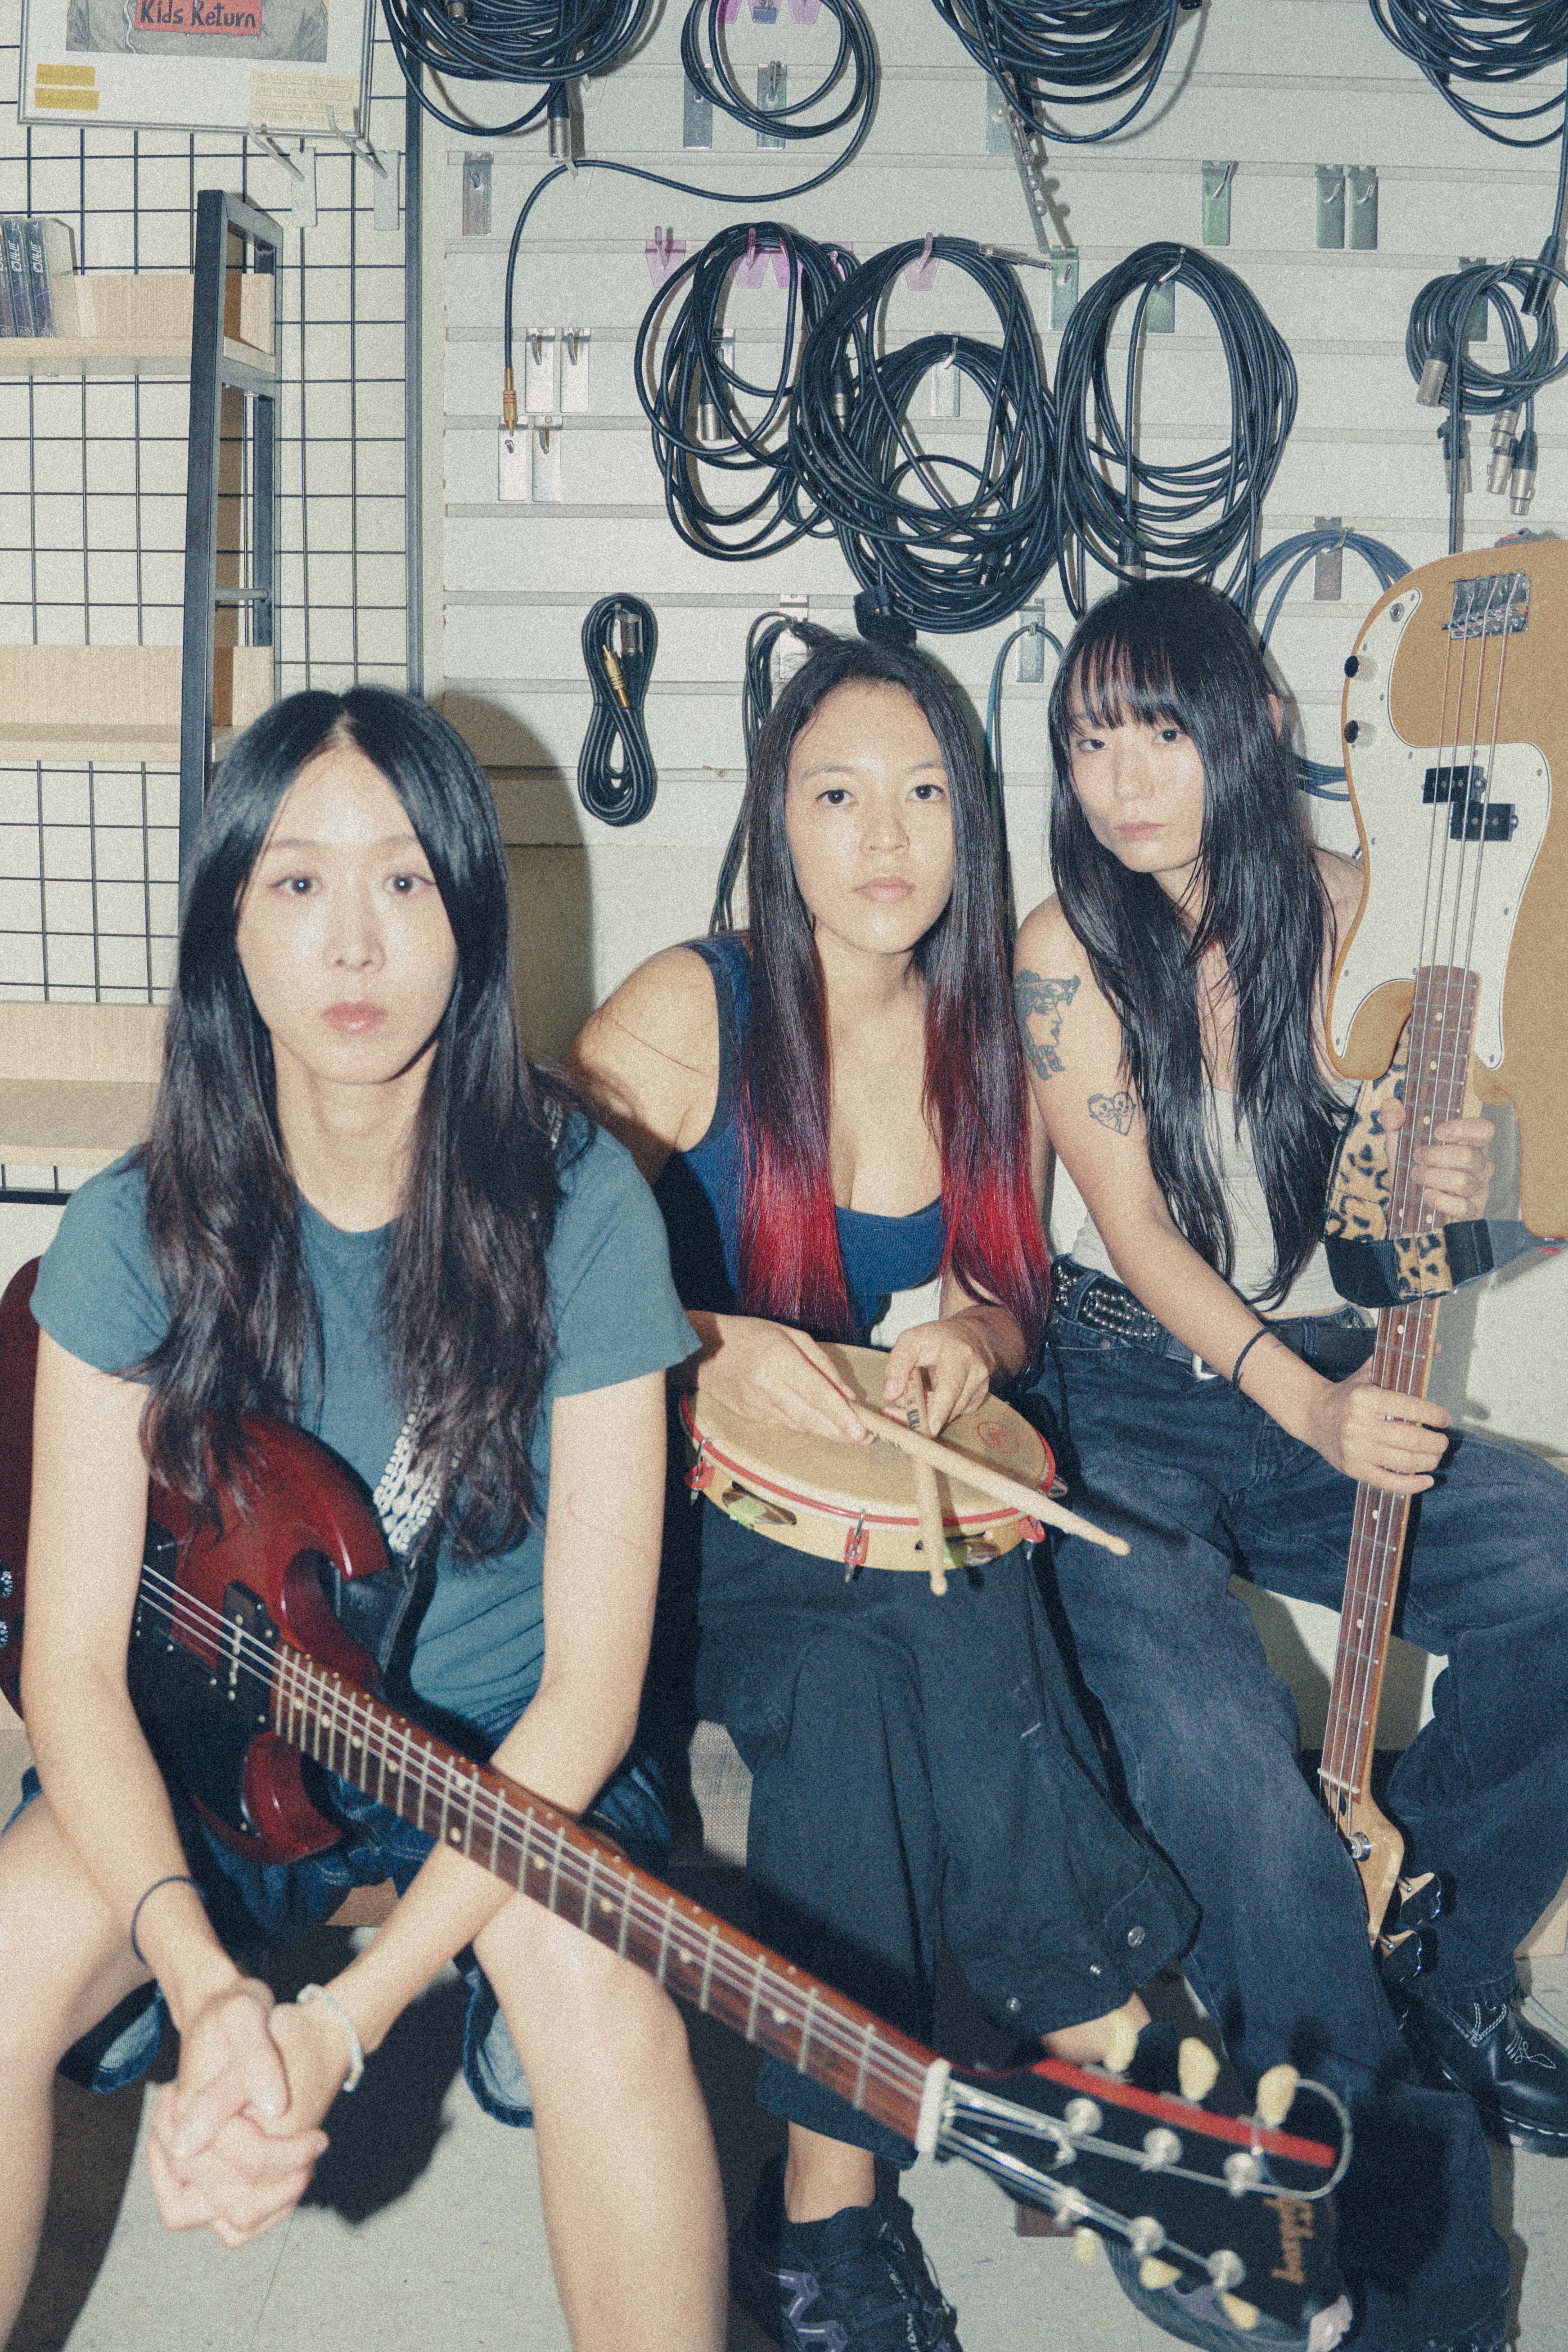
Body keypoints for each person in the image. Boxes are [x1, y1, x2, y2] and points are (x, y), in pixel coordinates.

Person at [0, 688, 727, 2352]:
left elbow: (589, 1694)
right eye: (296, 881)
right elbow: (74, 1668)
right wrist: (202, 1979)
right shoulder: (129, 1230)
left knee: (610, 2008)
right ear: (228, 924)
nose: (353, 939)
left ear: (469, 920)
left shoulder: (583, 1205)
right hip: (217, 1736)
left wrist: (341, 2020)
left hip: (501, 1749)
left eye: (404, 879)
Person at [571, 635, 1201, 2352]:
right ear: (775, 821)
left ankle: (822, 2223)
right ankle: (1106, 2037)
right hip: (660, 1524)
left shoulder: (975, 1037)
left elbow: (1003, 1291)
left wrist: (968, 1350)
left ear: (968, 823)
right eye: (836, 794)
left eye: (924, 792)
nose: (884, 835)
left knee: (885, 1657)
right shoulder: (691, 1005)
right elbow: (514, 1234)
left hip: (847, 1539)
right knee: (928, 1611)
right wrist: (702, 1337)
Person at [1015, 575, 1568, 2352]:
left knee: (1557, 1568)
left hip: (1329, 1378)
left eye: (1158, 732)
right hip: (1123, 1395)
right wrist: (1306, 1410)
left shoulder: (1362, 914)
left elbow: (1478, 1210)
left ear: (1250, 727)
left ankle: (1441, 1967)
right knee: (1220, 1760)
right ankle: (1399, 2243)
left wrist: (1475, 1185)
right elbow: (1136, 1232)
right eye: (1089, 739)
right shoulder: (1061, 951)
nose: (1121, 780)